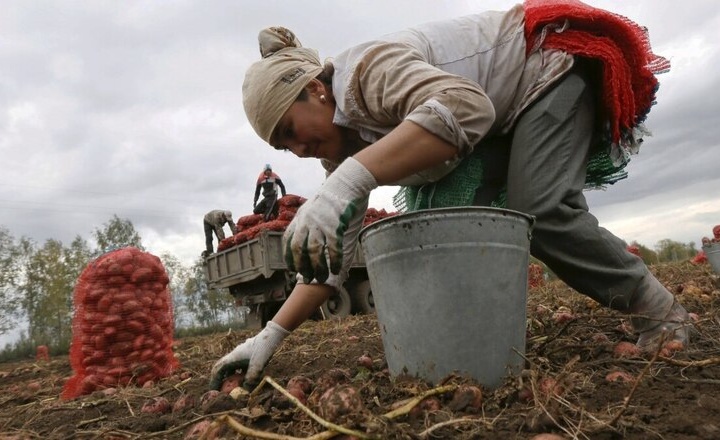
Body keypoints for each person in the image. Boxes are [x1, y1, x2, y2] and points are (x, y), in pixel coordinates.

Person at [210, 0, 693, 390]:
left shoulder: (366, 74)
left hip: (546, 67)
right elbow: (334, 263)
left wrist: (353, 178)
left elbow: (467, 108)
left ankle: (657, 310)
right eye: (282, 147)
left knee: (539, 209)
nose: (296, 151)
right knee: (450, 218)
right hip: (503, 116)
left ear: (316, 89)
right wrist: (271, 336)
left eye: (291, 132)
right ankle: (483, 343)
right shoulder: (340, 154)